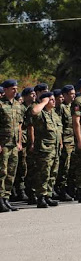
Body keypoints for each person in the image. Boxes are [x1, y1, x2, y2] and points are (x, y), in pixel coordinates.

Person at [30, 92, 62, 208]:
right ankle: (41, 197)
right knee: (43, 173)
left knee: (52, 173)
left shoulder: (54, 114)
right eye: (51, 100)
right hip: (45, 149)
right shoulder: (41, 114)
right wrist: (43, 101)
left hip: (55, 148)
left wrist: (61, 143)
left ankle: (48, 195)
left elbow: (58, 131)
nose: (54, 101)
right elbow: (34, 111)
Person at [0, 79, 23, 213]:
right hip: (3, 144)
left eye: (16, 88)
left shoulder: (17, 105)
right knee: (2, 172)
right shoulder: (1, 105)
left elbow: (19, 126)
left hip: (14, 144)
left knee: (11, 172)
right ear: (6, 90)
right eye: (13, 88)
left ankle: (6, 198)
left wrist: (19, 142)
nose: (15, 91)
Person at [54, 85, 75, 201]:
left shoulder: (73, 106)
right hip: (66, 140)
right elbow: (59, 127)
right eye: (71, 94)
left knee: (72, 166)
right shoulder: (61, 108)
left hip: (73, 140)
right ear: (65, 95)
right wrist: (61, 141)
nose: (73, 95)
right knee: (64, 167)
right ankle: (61, 189)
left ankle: (70, 188)